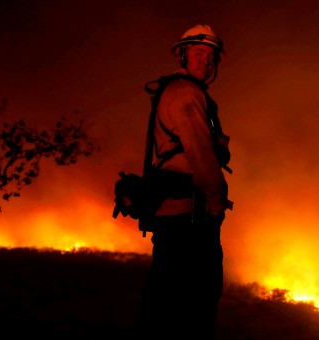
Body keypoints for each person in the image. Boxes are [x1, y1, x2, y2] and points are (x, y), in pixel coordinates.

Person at [136, 24, 232, 340]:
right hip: (188, 222)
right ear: (183, 55)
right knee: (194, 307)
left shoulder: (178, 90)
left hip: (174, 219)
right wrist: (216, 205)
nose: (206, 61)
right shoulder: (187, 93)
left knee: (165, 304)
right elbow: (202, 155)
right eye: (199, 53)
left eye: (211, 56)